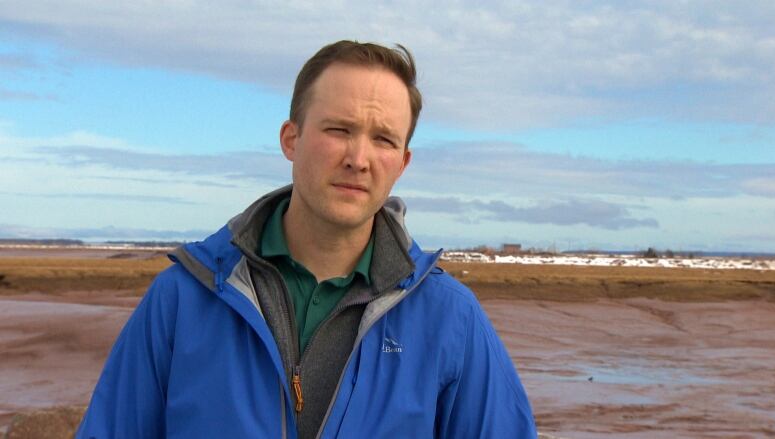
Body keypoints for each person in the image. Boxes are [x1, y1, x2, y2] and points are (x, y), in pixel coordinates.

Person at [77, 40, 536, 438]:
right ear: (291, 139)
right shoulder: (183, 300)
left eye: (383, 139)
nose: (359, 158)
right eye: (339, 130)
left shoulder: (449, 319)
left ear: (402, 163)